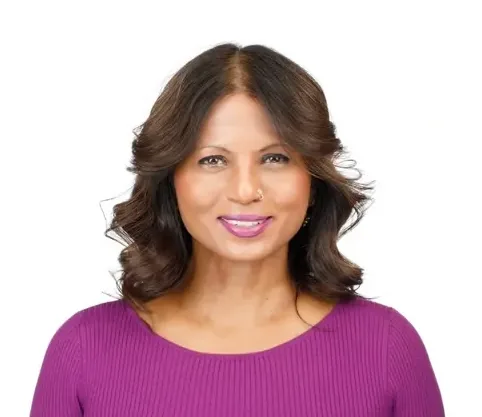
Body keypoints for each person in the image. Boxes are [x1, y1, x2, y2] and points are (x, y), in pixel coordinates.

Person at [30, 43, 445, 416]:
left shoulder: (387, 348)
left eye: (276, 158)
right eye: (213, 160)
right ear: (171, 180)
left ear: (313, 181)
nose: (246, 190)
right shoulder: (83, 351)